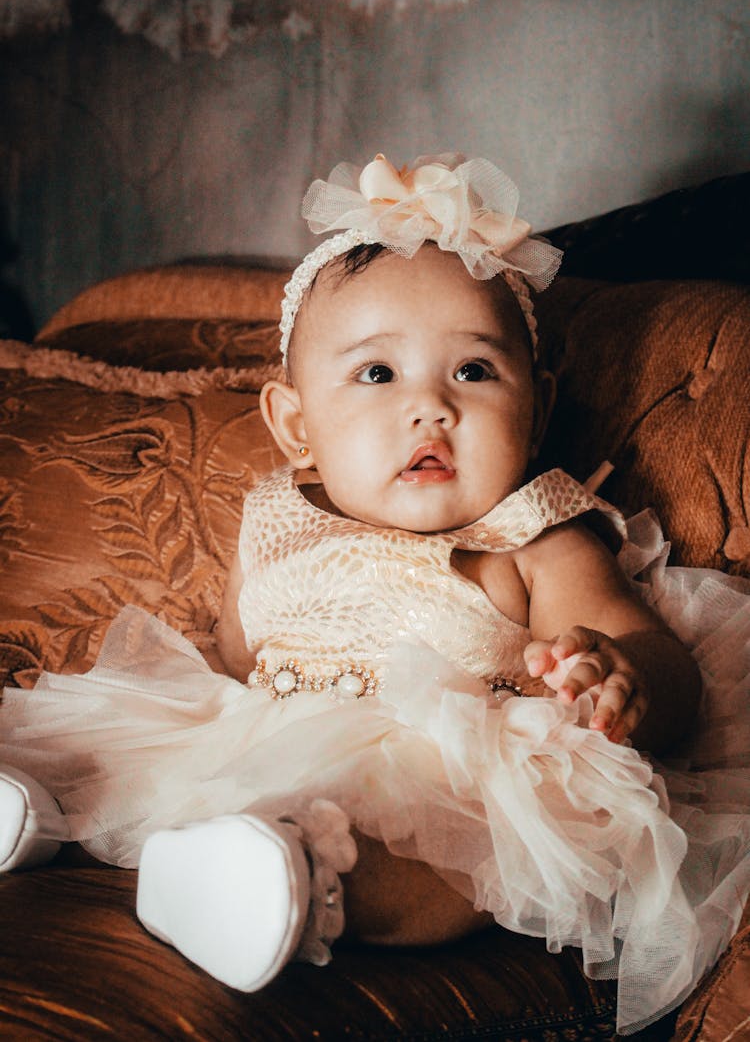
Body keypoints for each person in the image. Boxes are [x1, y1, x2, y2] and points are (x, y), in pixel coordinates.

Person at [1, 153, 748, 1036]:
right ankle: (36, 810)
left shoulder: (534, 533)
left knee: (455, 858)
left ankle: (298, 883)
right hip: (269, 737)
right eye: (377, 374)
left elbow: (648, 648)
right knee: (117, 754)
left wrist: (619, 672)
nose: (429, 407)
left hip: (448, 774)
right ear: (296, 425)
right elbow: (235, 658)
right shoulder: (278, 518)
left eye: (473, 371)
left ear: (537, 409)